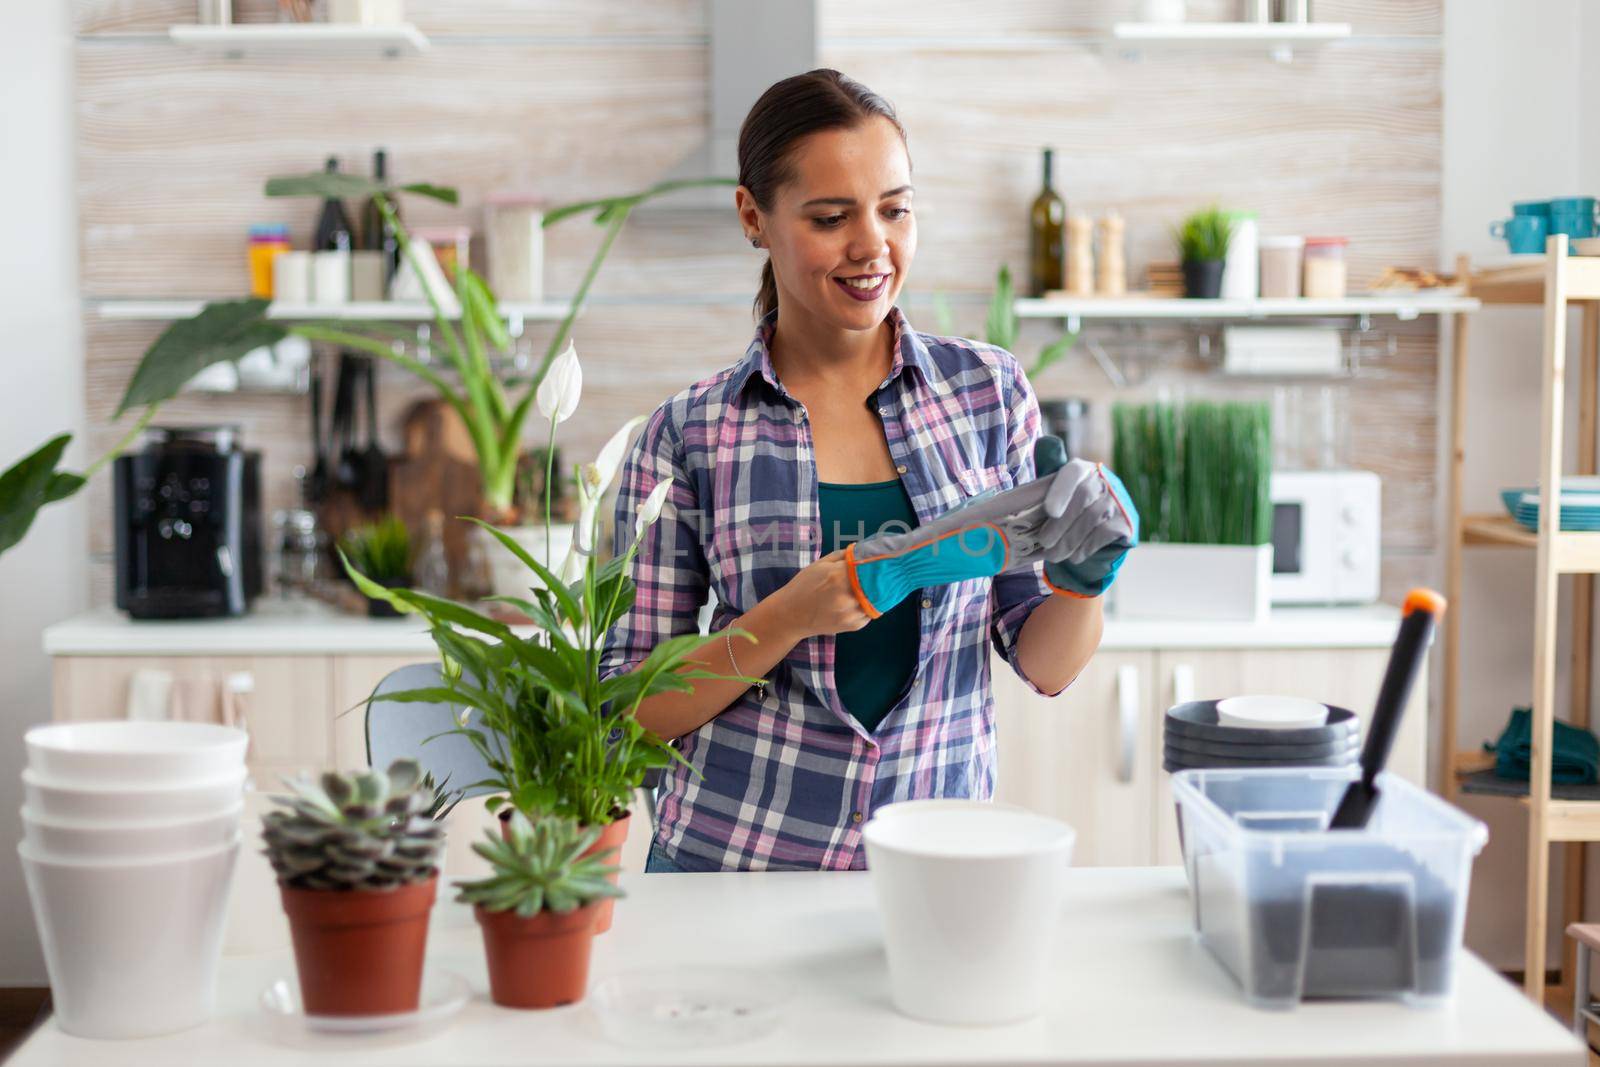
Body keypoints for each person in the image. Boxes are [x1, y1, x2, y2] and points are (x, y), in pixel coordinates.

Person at [598, 69, 1136, 873]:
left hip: (938, 859)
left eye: (895, 209)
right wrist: (783, 619)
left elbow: (1044, 661)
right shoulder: (690, 434)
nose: (872, 246)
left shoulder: (986, 393)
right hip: (734, 862)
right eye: (830, 217)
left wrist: (1084, 581)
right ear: (754, 216)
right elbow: (627, 710)